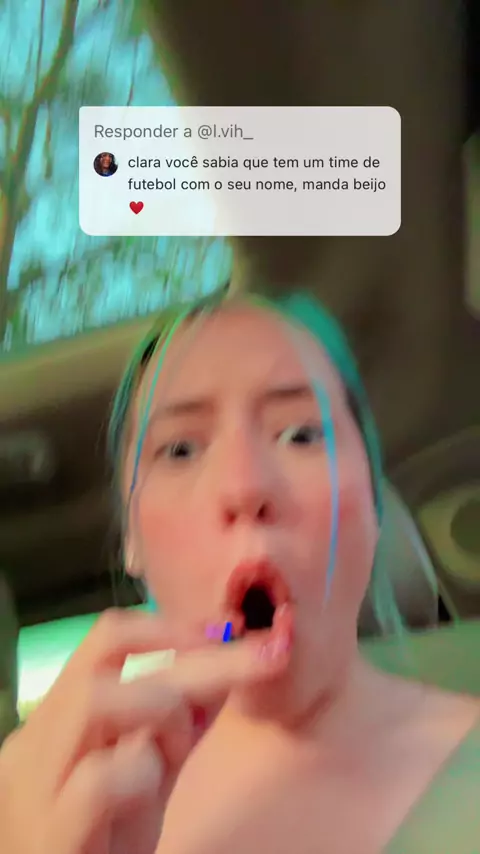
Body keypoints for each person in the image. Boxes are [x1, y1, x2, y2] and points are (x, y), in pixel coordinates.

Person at [0, 289, 479, 854]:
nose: (246, 487)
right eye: (180, 450)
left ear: (373, 510)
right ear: (133, 541)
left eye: (301, 434)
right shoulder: (44, 804)